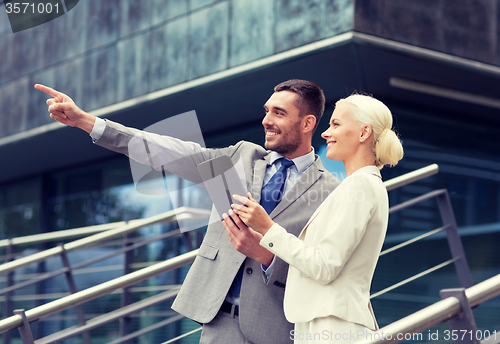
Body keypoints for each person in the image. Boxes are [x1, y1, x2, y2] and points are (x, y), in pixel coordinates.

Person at [35, 80, 340, 344]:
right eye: (266, 110)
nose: (266, 119)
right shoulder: (241, 157)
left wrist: (268, 257)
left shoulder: (329, 191)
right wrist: (88, 122)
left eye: (279, 113)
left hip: (275, 329)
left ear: (308, 123)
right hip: (217, 323)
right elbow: (167, 150)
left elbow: (323, 268)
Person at [222, 94, 404, 343]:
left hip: (333, 328)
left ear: (364, 133)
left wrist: (268, 228)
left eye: (336, 124)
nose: (325, 133)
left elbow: (324, 266)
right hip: (324, 323)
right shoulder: (358, 186)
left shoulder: (360, 186)